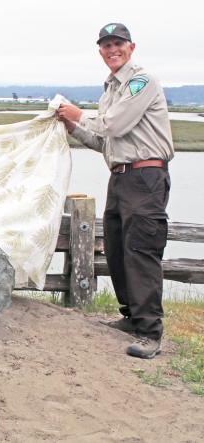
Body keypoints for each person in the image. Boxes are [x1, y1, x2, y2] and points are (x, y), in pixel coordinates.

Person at [56, 23, 174, 359]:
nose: (112, 50)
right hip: (120, 176)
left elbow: (113, 125)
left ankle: (150, 331)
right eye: (106, 45)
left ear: (131, 47)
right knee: (118, 246)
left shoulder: (141, 81)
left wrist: (79, 114)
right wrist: (72, 126)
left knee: (141, 249)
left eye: (118, 44)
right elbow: (103, 140)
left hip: (145, 177)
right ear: (100, 52)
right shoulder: (110, 88)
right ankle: (131, 315)